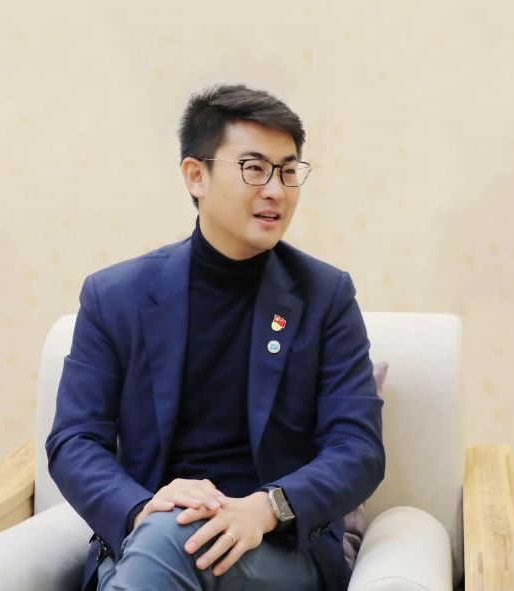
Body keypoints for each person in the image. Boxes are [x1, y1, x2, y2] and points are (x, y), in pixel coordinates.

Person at [46, 84, 385, 591]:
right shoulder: (115, 297)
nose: (276, 190)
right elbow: (74, 439)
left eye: (288, 171)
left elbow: (358, 448)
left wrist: (268, 507)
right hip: (150, 535)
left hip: (278, 549)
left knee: (166, 541)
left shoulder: (325, 296)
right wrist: (140, 509)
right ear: (195, 175)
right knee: (165, 536)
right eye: (254, 168)